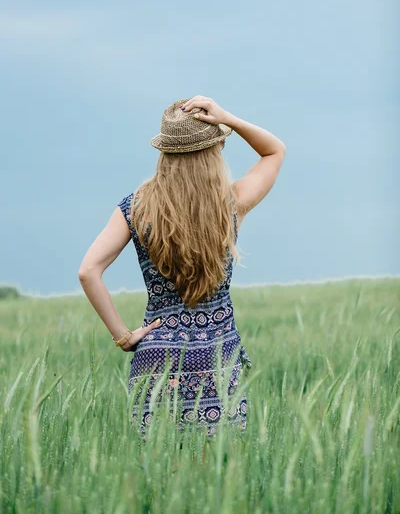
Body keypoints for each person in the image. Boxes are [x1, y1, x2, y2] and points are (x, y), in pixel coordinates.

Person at [78, 95, 286, 441]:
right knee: (216, 479)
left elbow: (88, 271)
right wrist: (227, 119)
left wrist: (124, 337)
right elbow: (274, 151)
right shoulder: (230, 206)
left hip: (155, 360)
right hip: (218, 359)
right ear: (215, 150)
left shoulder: (135, 209)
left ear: (164, 153)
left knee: (161, 479)